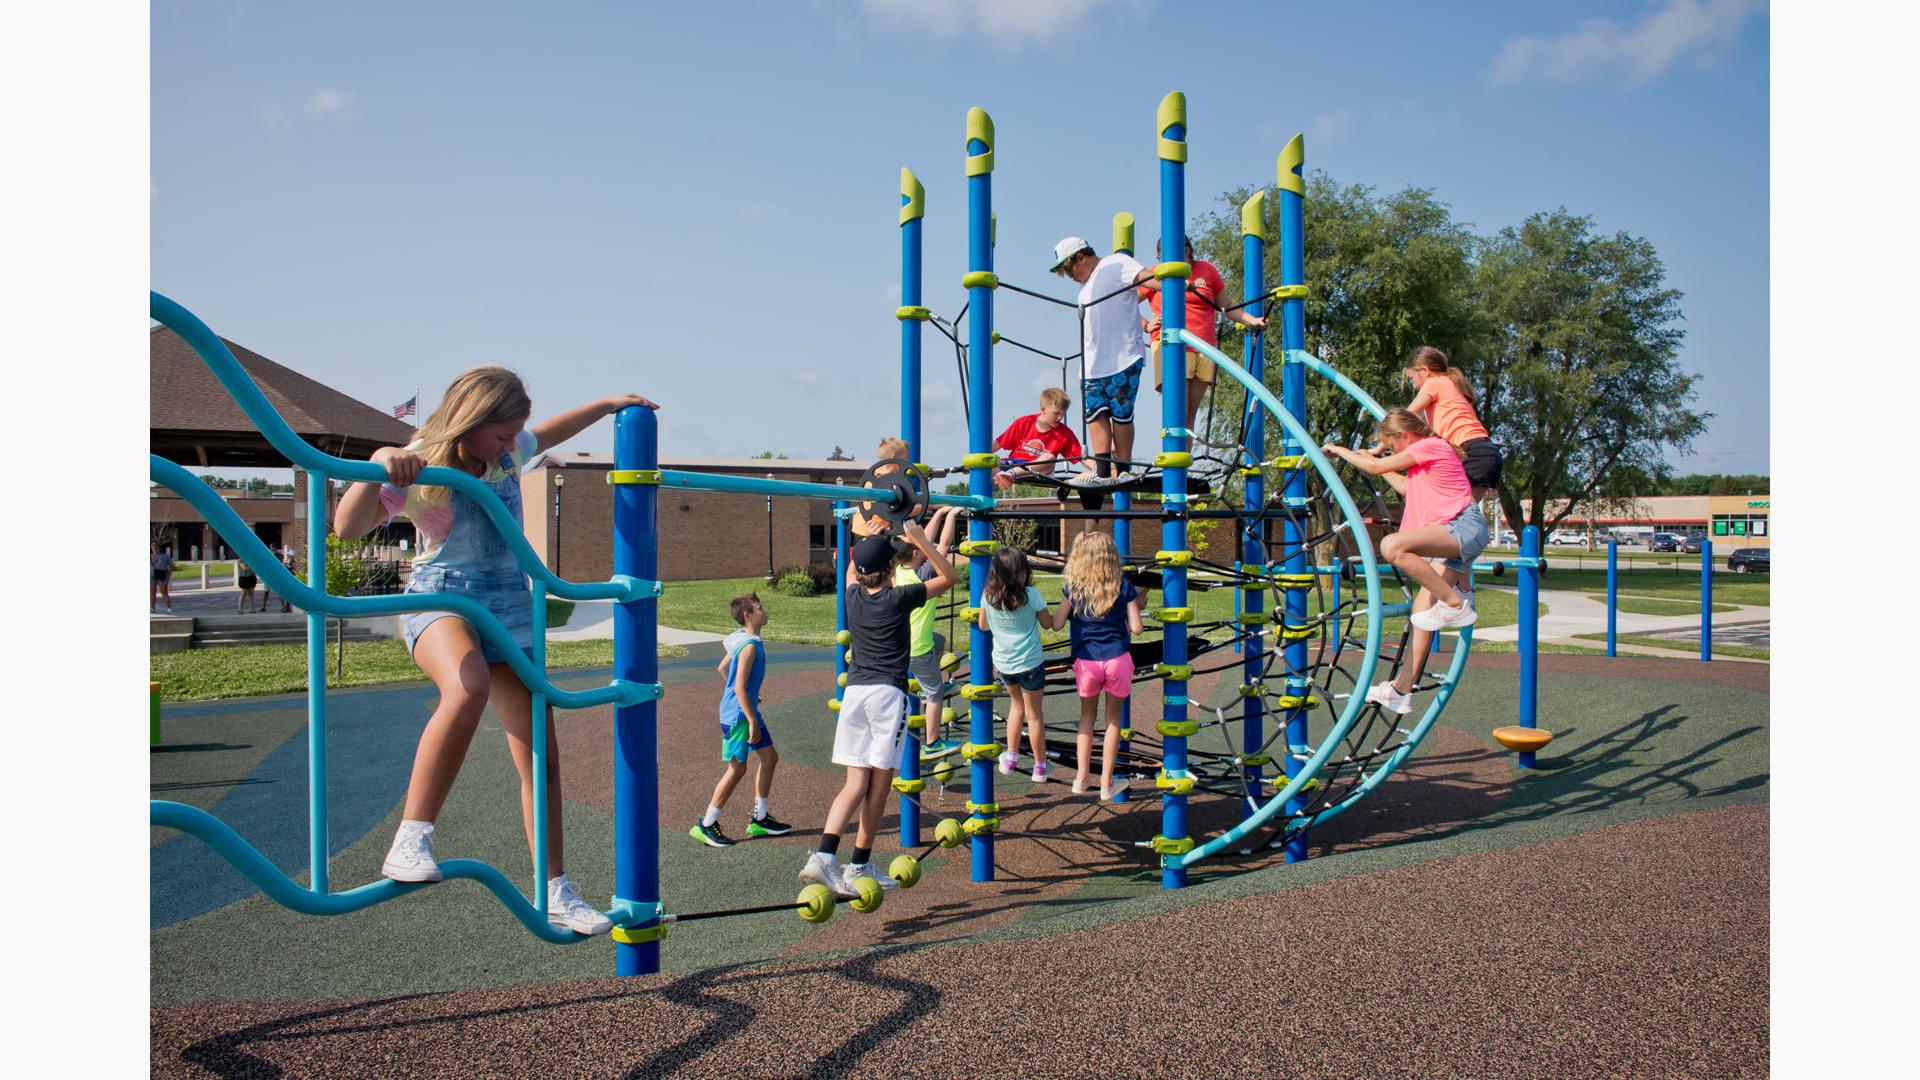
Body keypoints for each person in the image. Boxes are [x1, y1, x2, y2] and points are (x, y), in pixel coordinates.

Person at [332, 365, 659, 936]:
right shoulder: (420, 461)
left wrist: (606, 403)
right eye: (504, 434)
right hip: (443, 600)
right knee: (467, 687)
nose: (514, 446)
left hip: (510, 603)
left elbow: (551, 433)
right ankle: (411, 838)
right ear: (471, 421)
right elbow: (347, 527)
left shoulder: (504, 458)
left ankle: (556, 889)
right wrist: (379, 462)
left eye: (515, 436)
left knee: (541, 756)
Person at [799, 519, 955, 897]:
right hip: (887, 696)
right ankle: (857, 863)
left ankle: (824, 856)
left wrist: (867, 535)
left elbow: (853, 566)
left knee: (855, 783)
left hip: (856, 693)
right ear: (889, 570)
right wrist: (920, 540)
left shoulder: (851, 595)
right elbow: (948, 576)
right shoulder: (899, 597)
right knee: (880, 782)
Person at [1321, 408, 1489, 717]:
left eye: (1391, 445)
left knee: (1392, 545)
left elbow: (1373, 466)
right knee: (1421, 614)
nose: (1393, 452)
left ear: (1404, 436)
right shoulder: (1425, 462)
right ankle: (1401, 691)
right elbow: (1403, 486)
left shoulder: (1429, 445)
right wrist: (1381, 463)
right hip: (1458, 535)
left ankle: (1455, 604)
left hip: (1463, 529)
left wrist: (1339, 450)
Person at [1043, 531, 1143, 799]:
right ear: (1112, 558)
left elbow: (1056, 624)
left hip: (1087, 662)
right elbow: (1136, 628)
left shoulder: (1074, 589)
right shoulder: (1124, 587)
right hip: (1117, 660)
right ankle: (1106, 783)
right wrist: (1137, 601)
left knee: (1087, 719)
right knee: (1113, 721)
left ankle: (1081, 777)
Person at [1137, 238, 1268, 433]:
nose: (1163, 259)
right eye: (1160, 256)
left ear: (1187, 251)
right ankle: (1173, 459)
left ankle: (1182, 463)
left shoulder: (1207, 270)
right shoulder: (1156, 274)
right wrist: (1146, 325)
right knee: (1177, 412)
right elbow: (1126, 303)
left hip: (1204, 347)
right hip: (1172, 345)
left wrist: (1251, 320)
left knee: (1191, 413)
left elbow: (1225, 306)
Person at [691, 593, 790, 847]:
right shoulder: (748, 647)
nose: (764, 611)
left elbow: (723, 670)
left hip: (745, 712)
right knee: (737, 768)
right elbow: (738, 687)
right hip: (738, 718)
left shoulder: (746, 641)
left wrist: (748, 701)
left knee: (770, 758)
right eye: (759, 608)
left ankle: (760, 817)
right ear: (748, 615)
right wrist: (750, 716)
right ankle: (707, 823)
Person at [1050, 236, 1153, 480]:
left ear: (1080, 257)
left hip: (1123, 357)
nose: (1070, 276)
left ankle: (1125, 469)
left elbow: (1145, 277)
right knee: (1096, 415)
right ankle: (1104, 471)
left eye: (1068, 269)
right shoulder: (1084, 290)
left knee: (1122, 414)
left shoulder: (1115, 263)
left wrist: (1174, 282)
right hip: (1093, 364)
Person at [979, 544, 1052, 783]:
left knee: (1016, 708)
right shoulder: (1031, 595)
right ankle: (1040, 766)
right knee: (1035, 715)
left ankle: (1011, 757)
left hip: (1005, 665)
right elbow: (1048, 623)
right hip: (1030, 663)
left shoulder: (988, 596)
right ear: (1022, 570)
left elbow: (982, 626)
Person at [900, 505, 962, 759]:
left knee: (940, 639)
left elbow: (925, 541)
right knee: (935, 694)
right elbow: (944, 544)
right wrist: (952, 516)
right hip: (918, 649)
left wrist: (937, 514)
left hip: (903, 644)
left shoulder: (899, 571)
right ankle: (932, 743)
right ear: (919, 552)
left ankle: (929, 683)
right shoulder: (925, 577)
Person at [1401, 346, 1501, 499]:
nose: (1414, 385)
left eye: (1412, 378)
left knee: (1453, 512)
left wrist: (1379, 448)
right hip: (1487, 453)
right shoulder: (1451, 386)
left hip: (1470, 452)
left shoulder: (1434, 383)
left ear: (1424, 370)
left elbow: (1403, 418)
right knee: (1468, 517)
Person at [992, 387, 1094, 489]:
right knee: (986, 462)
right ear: (1043, 409)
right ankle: (987, 489)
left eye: (1063, 414)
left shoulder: (1065, 433)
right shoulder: (1024, 422)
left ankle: (1009, 475)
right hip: (1013, 464)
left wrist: (1102, 471)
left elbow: (1081, 457)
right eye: (1056, 413)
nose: (1060, 417)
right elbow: (997, 444)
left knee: (1049, 457)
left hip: (1039, 470)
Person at [150, 543, 175, 613]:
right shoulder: (150, 556)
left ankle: (168, 608)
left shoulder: (165, 556)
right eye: (152, 548)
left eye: (156, 548)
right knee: (152, 592)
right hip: (152, 575)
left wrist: (168, 575)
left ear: (159, 548)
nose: (154, 549)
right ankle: (152, 608)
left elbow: (171, 566)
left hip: (162, 574)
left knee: (164, 592)